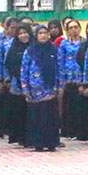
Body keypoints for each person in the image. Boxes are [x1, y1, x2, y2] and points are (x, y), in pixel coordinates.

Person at [21, 24, 62, 152]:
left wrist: (59, 86)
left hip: (50, 90)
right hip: (34, 90)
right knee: (36, 117)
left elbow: (60, 68)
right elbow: (24, 70)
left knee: (49, 117)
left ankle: (51, 143)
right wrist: (25, 89)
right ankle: (37, 143)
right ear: (36, 36)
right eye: (40, 33)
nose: (43, 35)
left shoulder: (54, 50)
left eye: (45, 33)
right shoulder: (30, 51)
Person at [3, 24, 32, 145]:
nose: (23, 35)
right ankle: (20, 137)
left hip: (34, 84)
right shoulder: (13, 48)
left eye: (25, 32)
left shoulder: (34, 47)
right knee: (19, 110)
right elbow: (9, 63)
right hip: (17, 84)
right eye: (20, 33)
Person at [59, 20, 84, 139]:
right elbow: (60, 61)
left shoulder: (84, 43)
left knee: (80, 106)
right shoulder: (64, 44)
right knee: (68, 106)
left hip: (81, 77)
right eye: (71, 28)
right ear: (67, 30)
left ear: (79, 28)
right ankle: (69, 131)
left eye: (75, 27)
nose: (73, 29)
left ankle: (80, 132)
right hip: (68, 78)